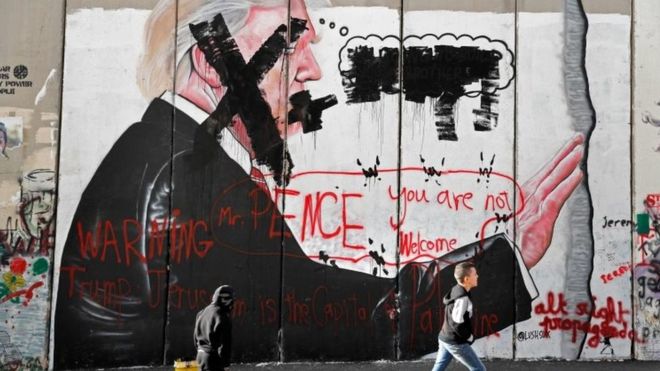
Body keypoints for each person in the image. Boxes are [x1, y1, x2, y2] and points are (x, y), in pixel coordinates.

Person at [54, 0, 584, 368]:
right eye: (288, 46)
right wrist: (504, 261)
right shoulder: (191, 178)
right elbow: (356, 322)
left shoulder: (157, 152)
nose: (312, 70)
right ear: (211, 64)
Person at [432, 262, 484, 371]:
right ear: (466, 279)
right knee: (479, 369)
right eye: (475, 274)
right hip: (455, 341)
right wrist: (469, 337)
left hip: (445, 337)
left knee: (438, 368)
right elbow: (457, 323)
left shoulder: (457, 289)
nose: (477, 276)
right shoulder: (462, 298)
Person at [194, 285, 234, 371]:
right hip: (213, 360)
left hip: (199, 357)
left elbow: (195, 338)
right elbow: (225, 344)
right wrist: (225, 364)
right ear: (225, 300)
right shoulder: (222, 316)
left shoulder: (201, 312)